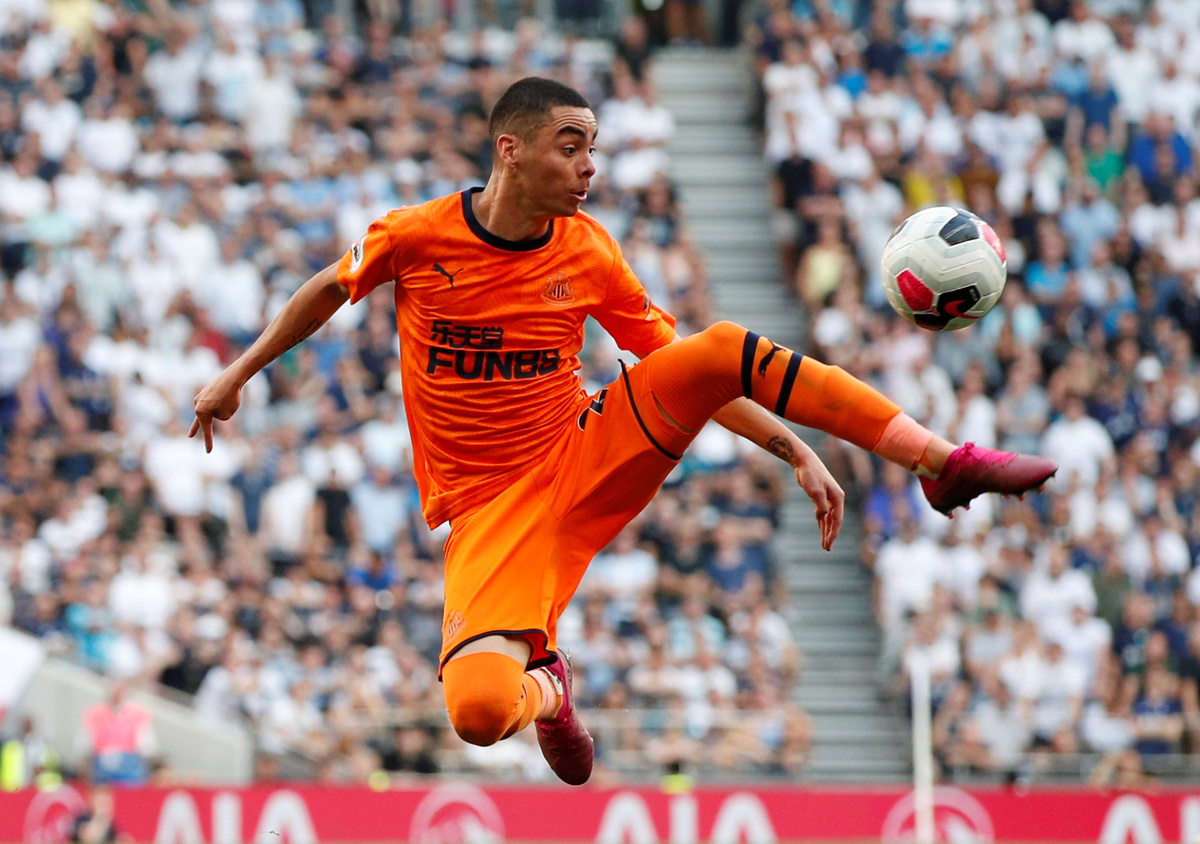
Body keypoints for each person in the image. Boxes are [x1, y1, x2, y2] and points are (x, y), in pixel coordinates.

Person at [190, 77, 1057, 786]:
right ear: (510, 149)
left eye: (594, 148)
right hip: (491, 511)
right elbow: (326, 290)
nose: (589, 166)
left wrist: (793, 446)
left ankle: (939, 460)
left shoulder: (589, 251)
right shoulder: (418, 236)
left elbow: (683, 365)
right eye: (571, 146)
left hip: (584, 448)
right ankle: (550, 692)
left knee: (718, 346)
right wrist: (237, 373)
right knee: (479, 712)